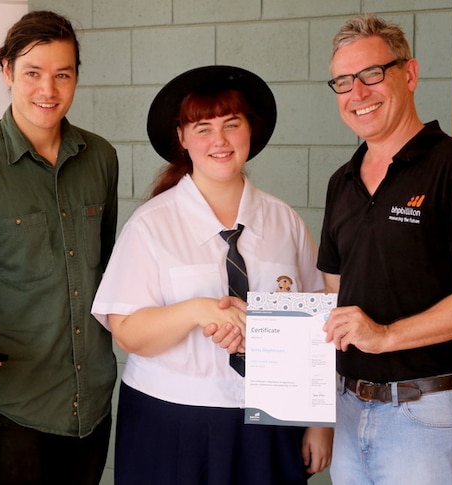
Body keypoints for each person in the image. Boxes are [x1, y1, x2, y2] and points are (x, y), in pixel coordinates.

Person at [91, 65, 333, 485]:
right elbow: (127, 331)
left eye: (231, 124)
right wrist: (199, 311)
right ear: (182, 138)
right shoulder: (151, 225)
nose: (218, 141)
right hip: (171, 421)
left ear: (250, 132)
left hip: (272, 422)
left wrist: (319, 422)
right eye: (202, 128)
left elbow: (318, 327)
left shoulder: (285, 222)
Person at [318, 14, 452, 485]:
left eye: (371, 74)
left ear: (409, 74)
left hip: (427, 416)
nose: (358, 94)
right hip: (349, 411)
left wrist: (384, 335)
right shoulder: (341, 182)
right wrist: (258, 328)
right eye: (344, 82)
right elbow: (334, 302)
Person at [0, 10, 119, 485]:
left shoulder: (101, 158)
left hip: (90, 398)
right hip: (9, 408)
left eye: (62, 74)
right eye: (33, 73)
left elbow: (108, 268)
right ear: (7, 71)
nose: (48, 90)